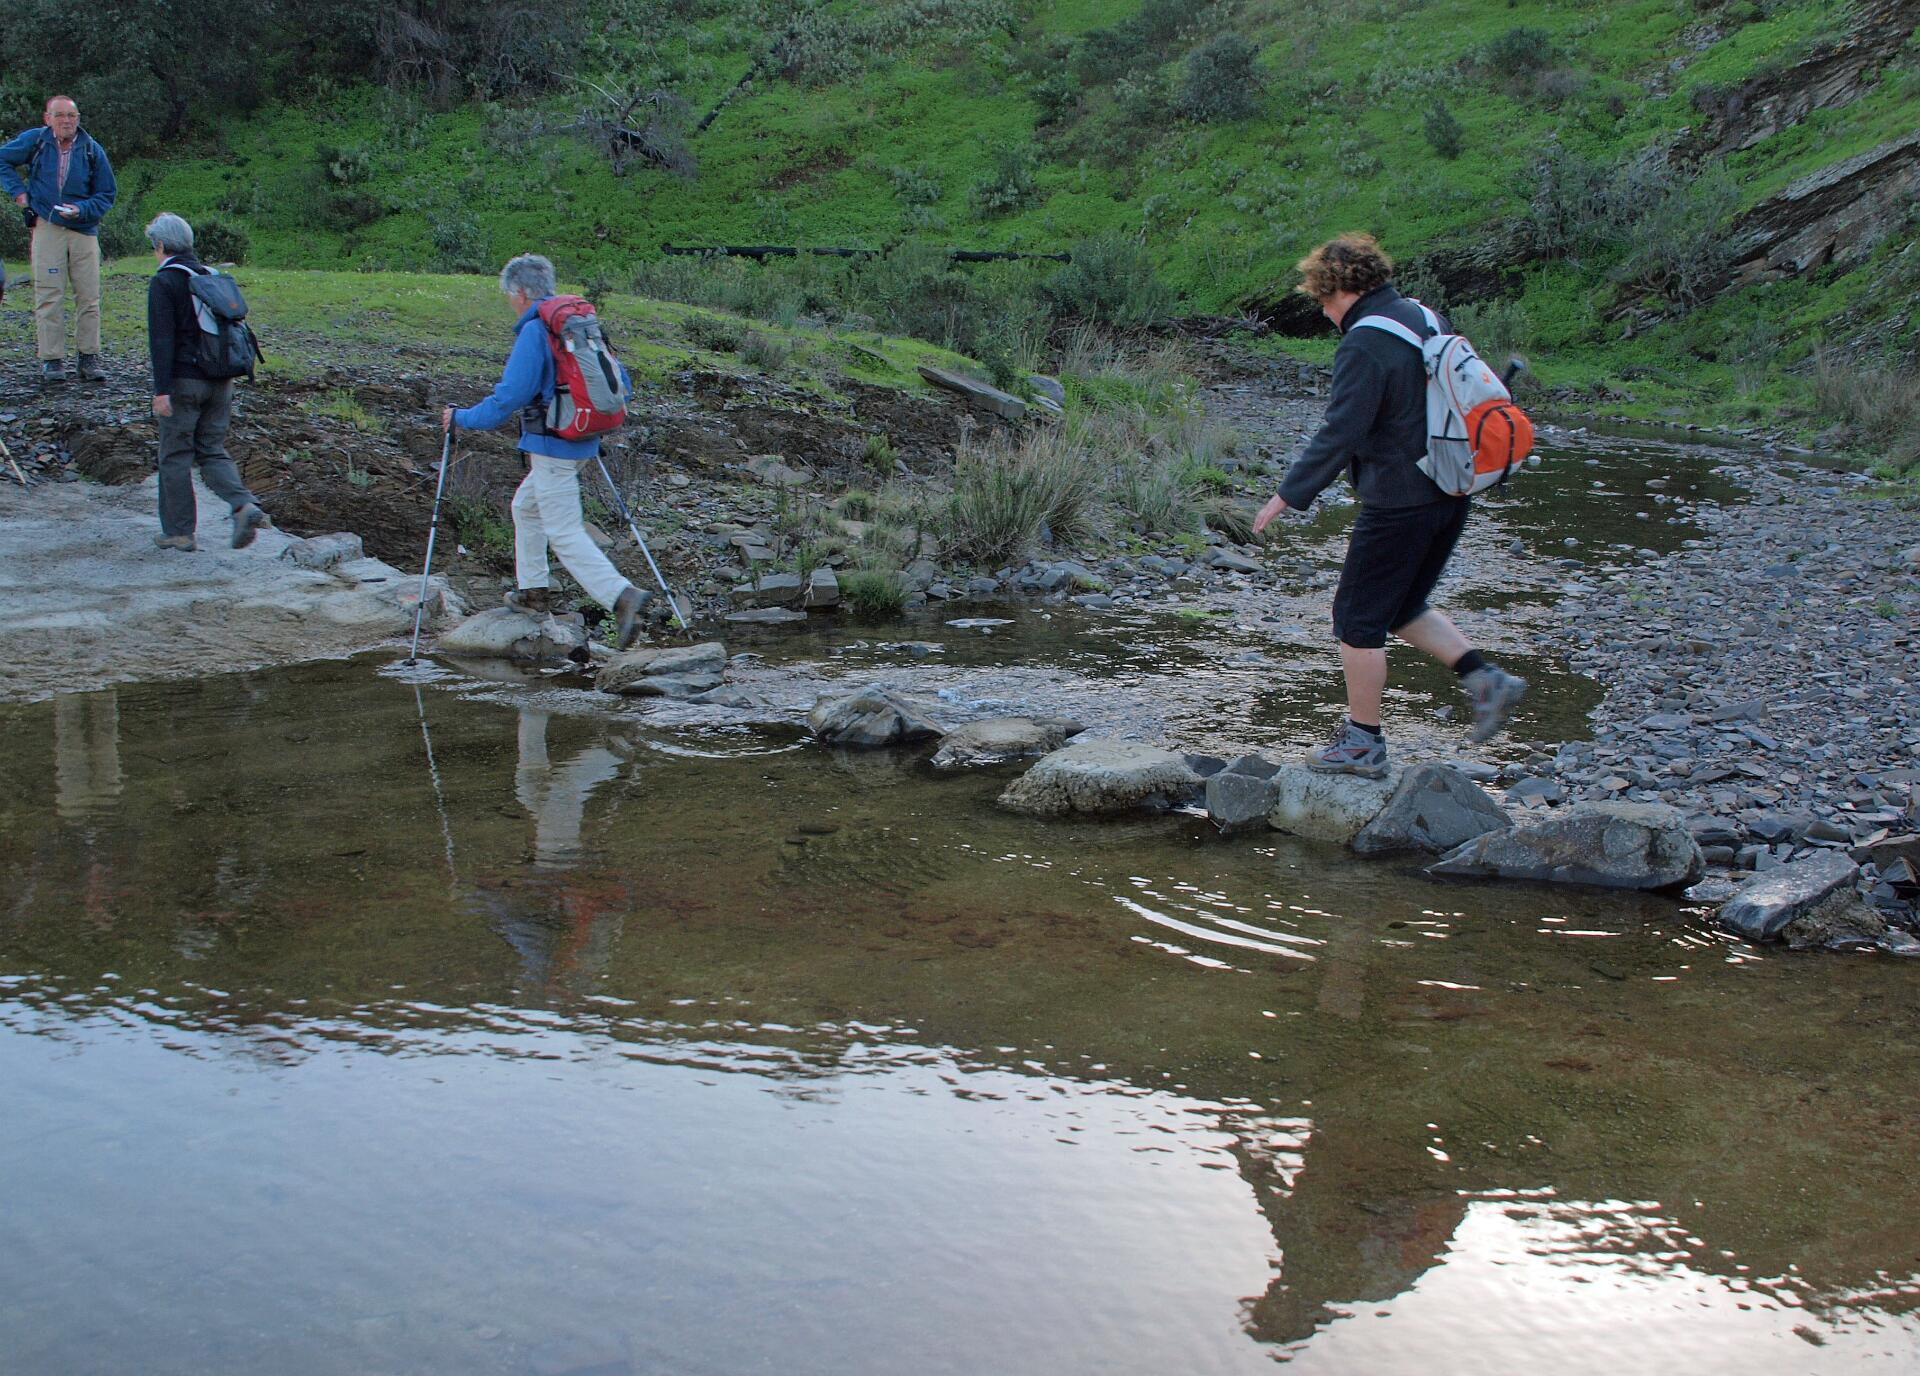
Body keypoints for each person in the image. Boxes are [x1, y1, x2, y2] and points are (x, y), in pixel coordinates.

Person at [1252, 233, 1525, 777]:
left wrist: (1286, 495)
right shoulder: (1426, 317)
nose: (1325, 312)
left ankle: (1362, 743)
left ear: (1340, 290)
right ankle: (1484, 677)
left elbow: (1342, 430)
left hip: (1400, 500)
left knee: (1356, 619)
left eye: (1323, 300)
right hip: (1450, 490)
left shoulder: (1364, 343)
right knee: (1401, 606)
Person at [443, 252, 650, 649]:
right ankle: (534, 595)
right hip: (581, 438)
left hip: (554, 445)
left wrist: (461, 418)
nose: (510, 302)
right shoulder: (579, 327)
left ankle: (622, 597)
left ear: (520, 292)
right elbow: (621, 381)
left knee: (564, 531)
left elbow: (510, 397)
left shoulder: (537, 331)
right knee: (526, 508)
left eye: (509, 295)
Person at [145, 213, 271, 552]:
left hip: (185, 382)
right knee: (212, 450)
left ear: (160, 245)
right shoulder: (211, 276)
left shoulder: (165, 282)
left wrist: (161, 391)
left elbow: (161, 341)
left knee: (175, 455)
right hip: (222, 381)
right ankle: (243, 504)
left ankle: (179, 532)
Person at [0, 96, 116, 383]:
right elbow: (2, 159)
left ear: (78, 118)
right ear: (47, 118)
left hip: (83, 230)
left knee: (88, 296)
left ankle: (89, 358)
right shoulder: (36, 141)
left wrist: (82, 210)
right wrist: (19, 194)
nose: (67, 121)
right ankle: (52, 361)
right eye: (60, 115)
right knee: (49, 294)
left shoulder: (91, 149)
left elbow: (107, 194)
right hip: (47, 225)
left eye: (72, 116)